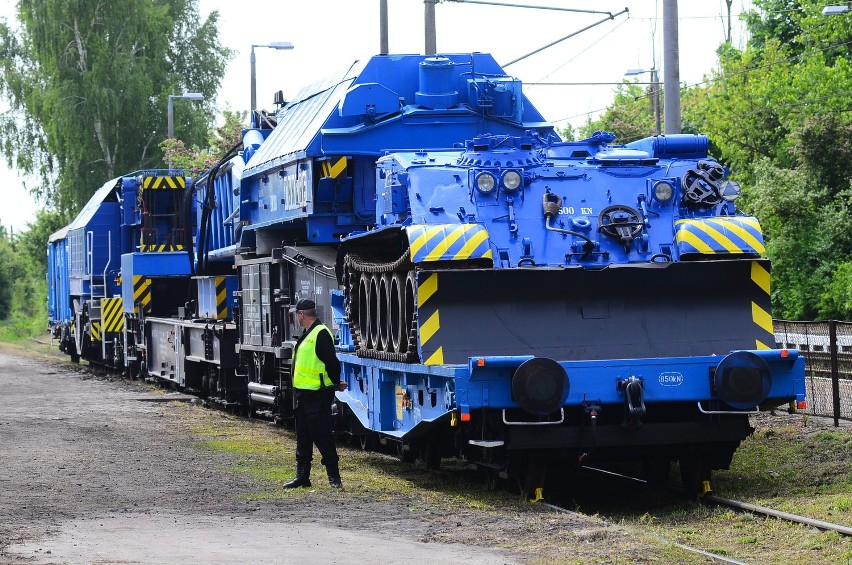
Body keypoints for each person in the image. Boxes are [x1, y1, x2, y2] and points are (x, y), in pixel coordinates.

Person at [283, 298, 347, 489]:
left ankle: (334, 478)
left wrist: (334, 383)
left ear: (302, 314)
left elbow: (332, 363)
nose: (297, 318)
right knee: (303, 437)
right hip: (303, 395)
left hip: (317, 395)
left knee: (322, 436)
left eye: (297, 314)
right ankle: (302, 477)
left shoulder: (320, 333)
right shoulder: (307, 333)